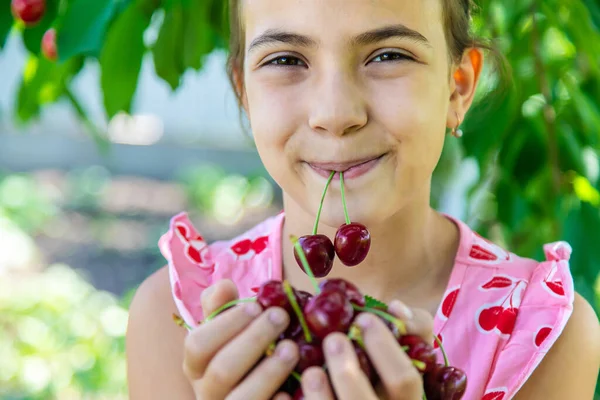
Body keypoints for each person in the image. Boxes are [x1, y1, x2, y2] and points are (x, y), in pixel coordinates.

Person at [125, 0, 600, 399]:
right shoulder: (180, 321)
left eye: (388, 55)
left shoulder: (536, 335)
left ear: (457, 87)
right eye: (286, 60)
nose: (336, 114)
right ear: (243, 92)